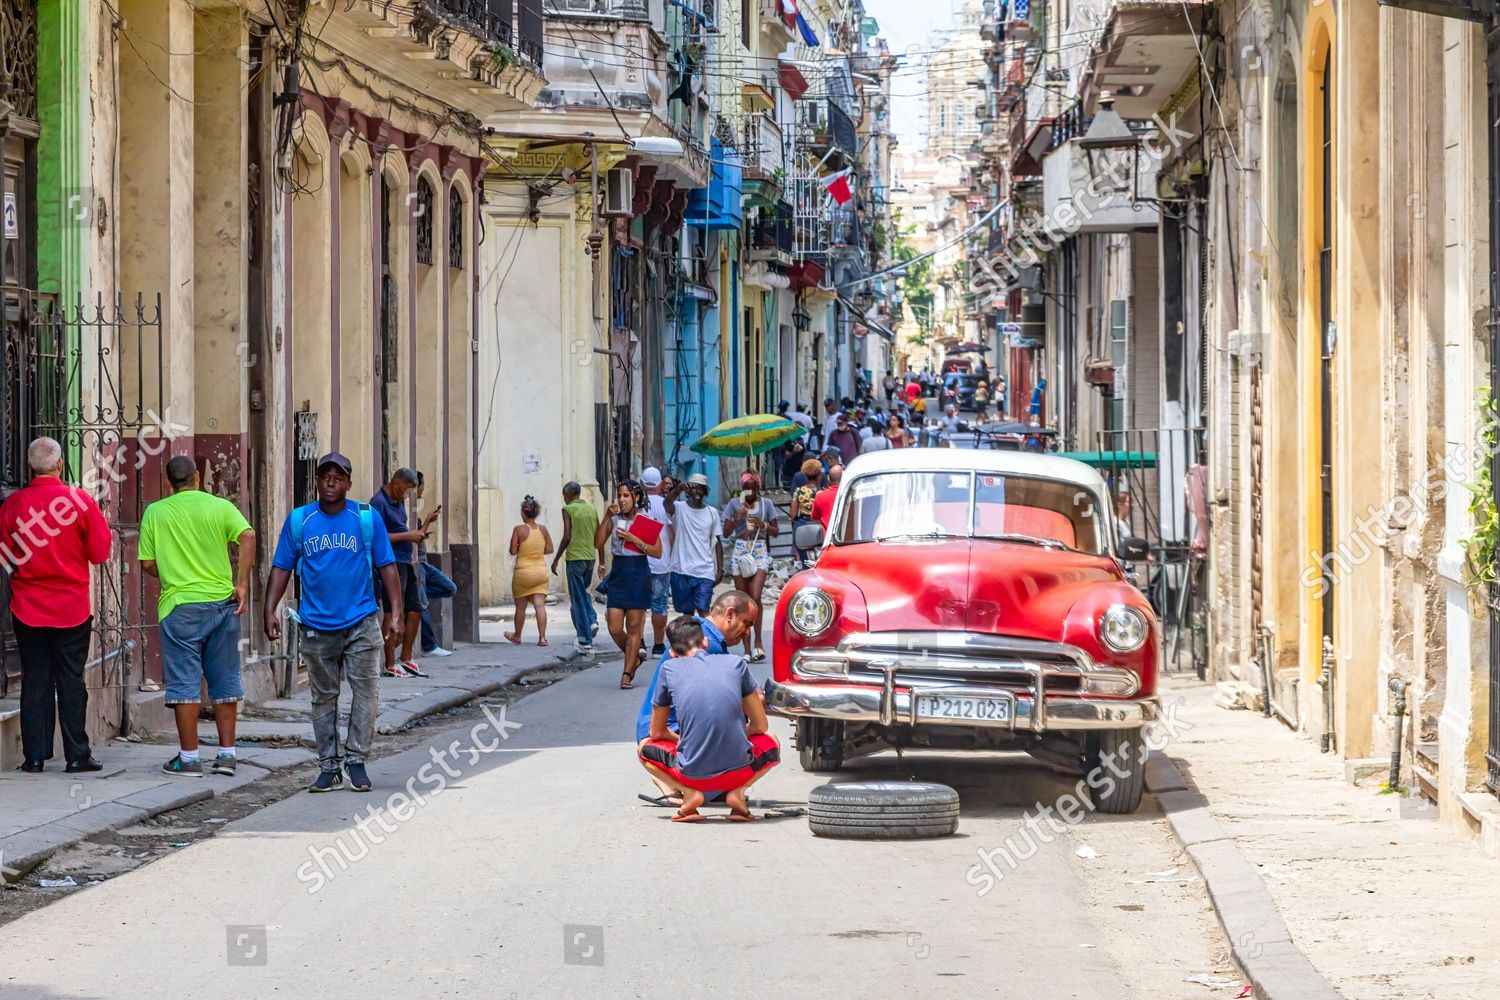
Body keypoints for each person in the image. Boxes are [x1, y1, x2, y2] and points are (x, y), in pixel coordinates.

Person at [264, 452, 403, 793]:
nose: (330, 481)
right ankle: (328, 765)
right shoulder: (300, 521)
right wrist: (269, 609)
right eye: (325, 475)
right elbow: (282, 567)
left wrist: (395, 613)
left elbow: (387, 566)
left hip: (361, 621)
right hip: (316, 625)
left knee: (365, 693)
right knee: (323, 697)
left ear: (348, 484)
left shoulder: (366, 519)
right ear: (316, 481)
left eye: (338, 477)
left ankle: (356, 760)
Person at [140, 455, 257, 777]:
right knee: (225, 677)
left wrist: (174, 569)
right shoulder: (219, 507)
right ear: (198, 478)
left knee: (184, 683)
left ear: (169, 483)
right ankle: (228, 755)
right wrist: (242, 583)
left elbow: (147, 564)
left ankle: (189, 759)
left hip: (179, 608)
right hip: (222, 604)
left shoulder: (156, 512)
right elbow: (247, 536)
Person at [0, 437, 112, 773]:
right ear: (60, 464)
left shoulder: (13, 505)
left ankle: (34, 756)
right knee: (71, 680)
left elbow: (6, 556)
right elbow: (99, 553)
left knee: (35, 678)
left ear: (29, 466)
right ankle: (77, 754)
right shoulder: (79, 502)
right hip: (72, 608)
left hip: (27, 607)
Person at [638, 616, 779, 822]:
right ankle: (737, 793)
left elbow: (656, 733)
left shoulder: (668, 669)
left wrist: (689, 740)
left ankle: (689, 792)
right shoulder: (736, 663)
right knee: (772, 740)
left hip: (691, 772)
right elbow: (760, 725)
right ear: (705, 642)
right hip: (739, 769)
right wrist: (736, 735)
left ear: (672, 653)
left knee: (643, 747)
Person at [594, 479, 662, 689]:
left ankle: (626, 674)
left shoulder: (646, 520)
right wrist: (606, 516)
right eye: (619, 495)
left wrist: (633, 538)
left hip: (638, 573)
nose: (622, 500)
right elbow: (597, 543)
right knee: (614, 626)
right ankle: (634, 658)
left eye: (626, 496)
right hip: (619, 573)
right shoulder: (613, 519)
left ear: (636, 498)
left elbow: (657, 552)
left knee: (634, 628)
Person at [370, 468, 429, 678]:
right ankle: (390, 663)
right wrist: (407, 535)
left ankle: (406, 657)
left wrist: (418, 532)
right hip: (390, 562)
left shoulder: (398, 502)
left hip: (406, 560)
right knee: (393, 611)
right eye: (404, 490)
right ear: (396, 483)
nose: (405, 495)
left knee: (415, 608)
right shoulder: (378, 503)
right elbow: (378, 536)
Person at [721, 472, 777, 663]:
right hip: (740, 549)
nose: (749, 491)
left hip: (759, 548)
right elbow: (726, 533)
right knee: (743, 600)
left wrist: (763, 525)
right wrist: (737, 517)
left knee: (756, 595)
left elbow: (776, 531)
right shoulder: (734, 504)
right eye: (746, 488)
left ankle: (759, 642)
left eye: (753, 488)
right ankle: (747, 648)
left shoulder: (766, 504)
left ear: (758, 488)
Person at [551, 480, 601, 658]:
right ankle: (592, 619)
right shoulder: (591, 509)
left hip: (575, 558)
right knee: (582, 593)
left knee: (577, 598)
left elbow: (567, 536)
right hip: (590, 557)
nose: (564, 499)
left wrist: (556, 559)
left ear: (570, 495)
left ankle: (585, 639)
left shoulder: (568, 509)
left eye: (564, 495)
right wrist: (601, 560)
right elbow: (599, 535)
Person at [412, 472, 453, 658]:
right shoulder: (409, 510)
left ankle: (415, 598)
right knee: (422, 604)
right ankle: (429, 645)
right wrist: (428, 521)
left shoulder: (413, 510)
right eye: (422, 484)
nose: (423, 488)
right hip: (417, 562)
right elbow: (413, 537)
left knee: (449, 588)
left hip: (424, 562)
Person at [669, 473, 722, 616]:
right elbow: (666, 504)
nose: (697, 491)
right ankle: (692, 639)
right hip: (681, 570)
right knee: (686, 614)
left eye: (701, 488)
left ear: (705, 492)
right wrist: (678, 489)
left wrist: (720, 570)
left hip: (705, 570)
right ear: (687, 491)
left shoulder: (712, 513)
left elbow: (717, 542)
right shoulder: (679, 508)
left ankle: (710, 638)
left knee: (704, 611)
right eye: (694, 488)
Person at [505, 496, 554, 646]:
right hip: (540, 572)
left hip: (523, 573)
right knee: (540, 605)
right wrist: (537, 551)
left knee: (520, 607)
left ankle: (517, 636)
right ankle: (542, 638)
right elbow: (550, 549)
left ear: (523, 513)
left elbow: (513, 551)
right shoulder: (543, 530)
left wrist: (521, 547)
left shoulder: (519, 529)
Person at [640, 467, 677, 656]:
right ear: (661, 484)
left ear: (642, 483)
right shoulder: (665, 505)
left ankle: (639, 642)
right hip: (661, 562)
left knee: (638, 605)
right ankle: (658, 644)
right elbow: (672, 534)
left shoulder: (638, 504)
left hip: (640, 561)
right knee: (659, 604)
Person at [790, 458, 823, 563]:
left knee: (805, 562)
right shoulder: (822, 493)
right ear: (818, 476)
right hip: (818, 527)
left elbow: (793, 515)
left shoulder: (798, 492)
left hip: (802, 527)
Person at [811, 464, 843, 530]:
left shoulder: (820, 496)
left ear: (828, 479)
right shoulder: (852, 494)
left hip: (827, 538)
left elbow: (815, 518)